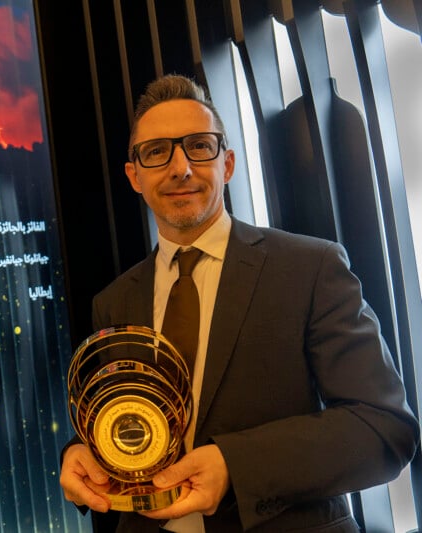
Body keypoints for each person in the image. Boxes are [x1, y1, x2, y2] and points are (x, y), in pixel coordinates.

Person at [59, 74, 419, 532]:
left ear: (227, 163)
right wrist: (78, 451)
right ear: (134, 176)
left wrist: (234, 463)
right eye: (156, 152)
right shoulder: (113, 302)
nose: (180, 168)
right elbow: (128, 416)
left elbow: (385, 430)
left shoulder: (310, 269)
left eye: (199, 146)